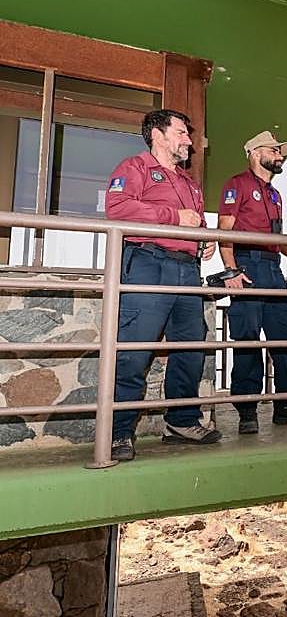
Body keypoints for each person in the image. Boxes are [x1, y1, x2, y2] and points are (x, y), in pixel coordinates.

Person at [105, 109, 220, 462]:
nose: (189, 141)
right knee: (134, 351)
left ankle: (181, 422)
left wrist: (205, 239)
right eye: (182, 132)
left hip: (188, 270)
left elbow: (194, 223)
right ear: (158, 134)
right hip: (148, 264)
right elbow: (116, 208)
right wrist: (173, 217)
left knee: (191, 348)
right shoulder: (135, 167)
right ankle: (118, 432)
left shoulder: (190, 184)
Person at [218, 131, 287, 434]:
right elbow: (225, 229)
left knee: (286, 337)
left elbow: (277, 237)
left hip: (273, 269)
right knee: (248, 338)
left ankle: (285, 406)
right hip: (247, 264)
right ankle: (247, 410)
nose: (280, 155)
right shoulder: (237, 185)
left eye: (280, 152)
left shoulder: (275, 195)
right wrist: (231, 271)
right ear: (254, 152)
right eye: (274, 151)